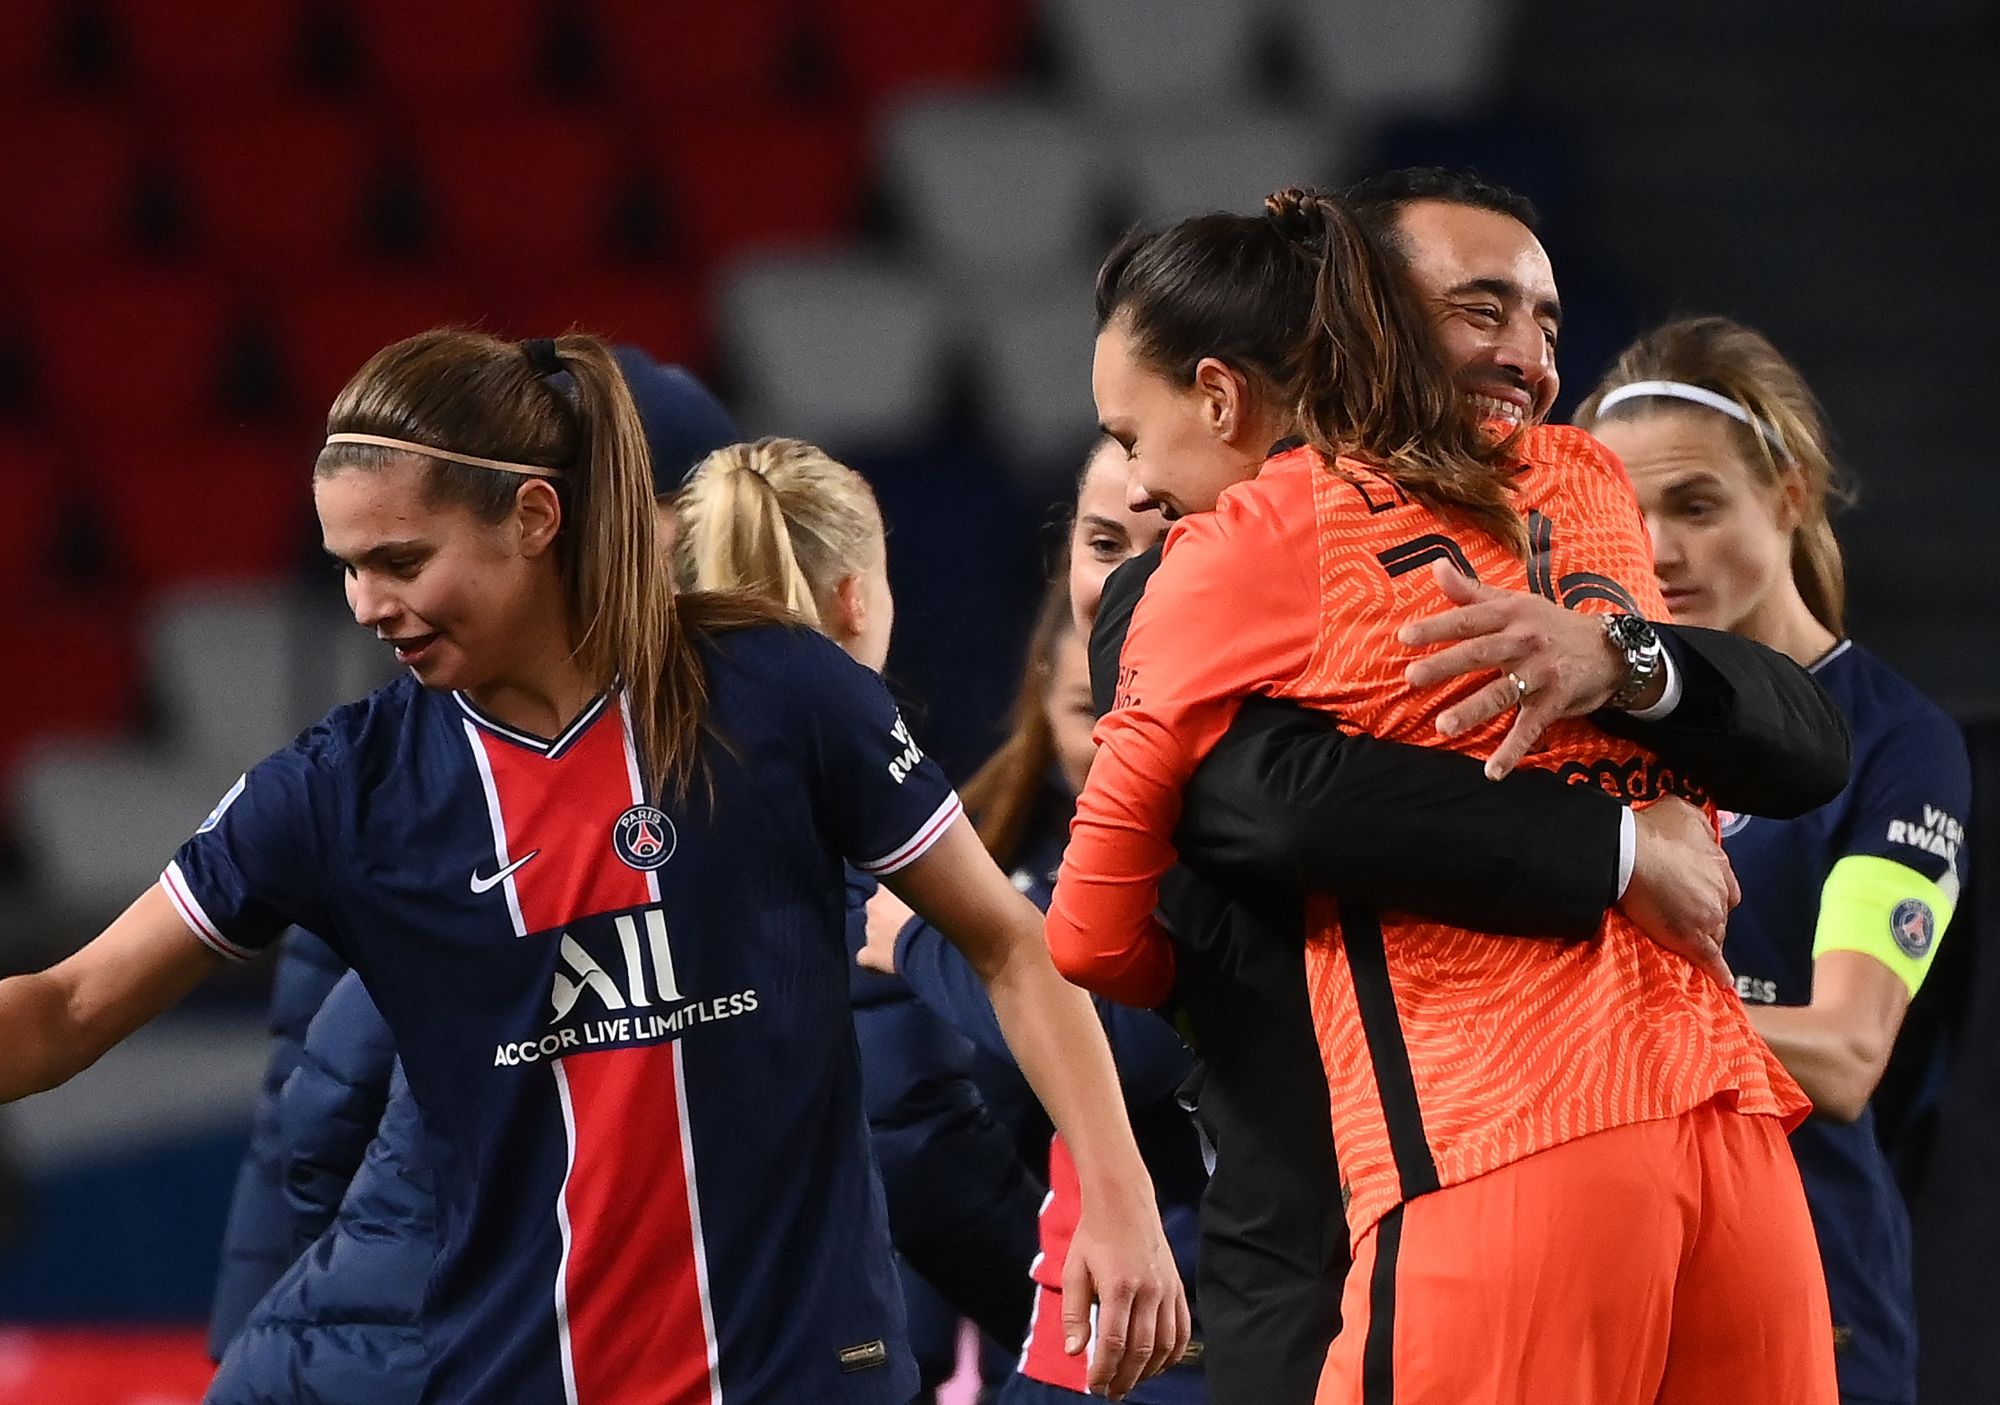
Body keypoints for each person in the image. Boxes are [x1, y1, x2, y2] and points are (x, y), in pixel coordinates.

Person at [0, 329, 1187, 1405]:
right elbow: (67, 1004)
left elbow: (1006, 941)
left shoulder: (781, 695)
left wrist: (1119, 1203)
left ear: (533, 515)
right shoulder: (336, 792)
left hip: (802, 1377)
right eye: (346, 567)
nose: (369, 604)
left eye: (402, 559)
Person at [1051, 188, 1836, 1403]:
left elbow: (1804, 734)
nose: (1524, 355)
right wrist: (1621, 844)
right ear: (1364, 319)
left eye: (1543, 319)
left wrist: (1620, 663)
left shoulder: (1559, 497)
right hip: (1346, 1195)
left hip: (1567, 1126)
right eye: (1479, 309)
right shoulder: (1199, 572)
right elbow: (1281, 803)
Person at [206, 348, 740, 1369]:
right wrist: (277, 1342)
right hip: (452, 1340)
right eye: (691, 506)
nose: (366, 605)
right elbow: (310, 1107)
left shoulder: (767, 739)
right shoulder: (377, 790)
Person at [1578, 316, 1973, 1405]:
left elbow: (1845, 1051)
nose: (1657, 550)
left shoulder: (1892, 742)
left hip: (1811, 1296)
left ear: (1789, 496)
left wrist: (1592, 1025)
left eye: (1696, 506)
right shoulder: (1585, 725)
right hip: (1600, 1292)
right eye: (1627, 512)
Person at [673, 436, 1047, 1394]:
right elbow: (905, 1131)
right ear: (855, 597)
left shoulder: (607, 773)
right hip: (804, 1343)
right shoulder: (855, 782)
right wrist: (1054, 1318)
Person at [864, 573, 1208, 1405]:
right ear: (1043, 697)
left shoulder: (1232, 862)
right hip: (1062, 1353)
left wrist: (923, 946)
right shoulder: (982, 869)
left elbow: (1132, 1043)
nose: (1120, 740)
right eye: (1093, 712)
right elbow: (915, 1132)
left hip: (1206, 1348)